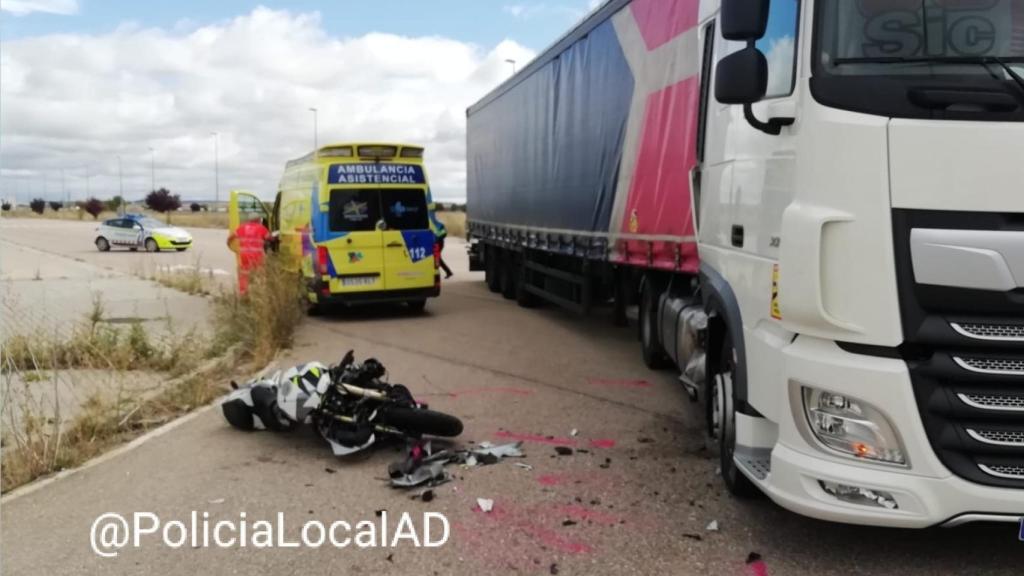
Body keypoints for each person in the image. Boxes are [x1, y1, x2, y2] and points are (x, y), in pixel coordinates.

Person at [227, 213, 271, 294]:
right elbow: (269, 238)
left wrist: (229, 245)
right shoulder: (261, 228)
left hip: (244, 255)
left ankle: (243, 292)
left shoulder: (242, 227)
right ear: (258, 220)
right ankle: (259, 292)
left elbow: (231, 237)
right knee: (259, 273)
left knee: (244, 274)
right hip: (257, 255)